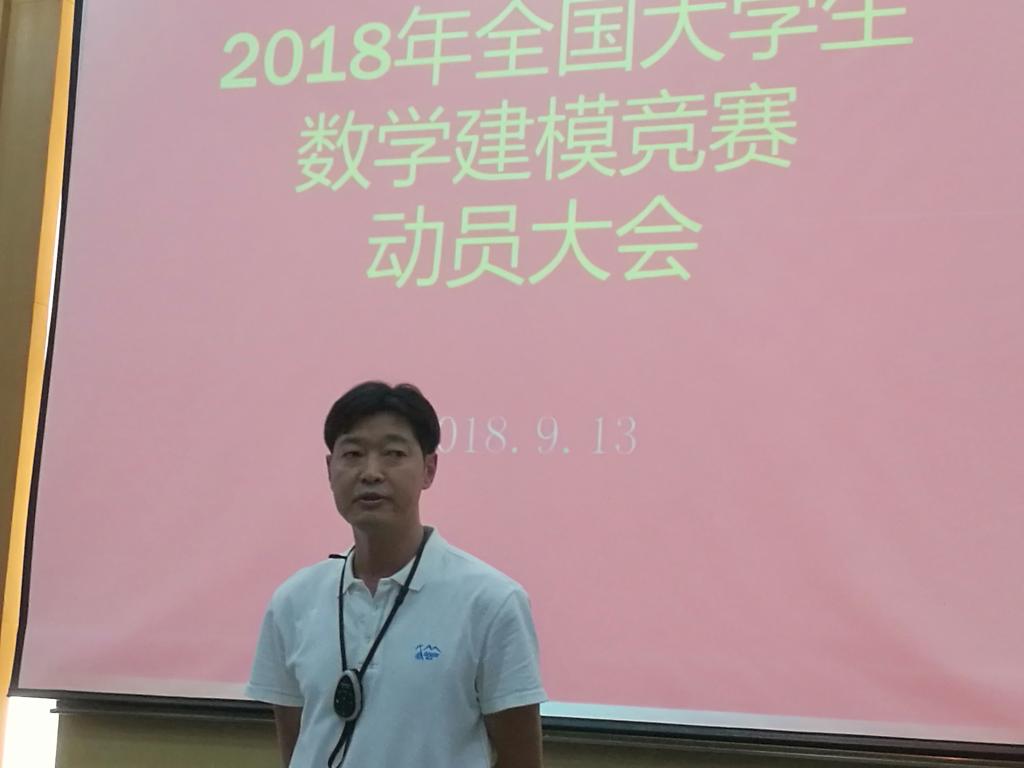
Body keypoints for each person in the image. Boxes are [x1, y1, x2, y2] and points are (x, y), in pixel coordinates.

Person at [246, 381, 546, 768]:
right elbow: (297, 747)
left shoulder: (492, 602)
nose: (371, 472)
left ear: (429, 469)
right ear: (329, 469)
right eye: (353, 454)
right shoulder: (293, 601)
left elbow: (521, 758)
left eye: (393, 454)